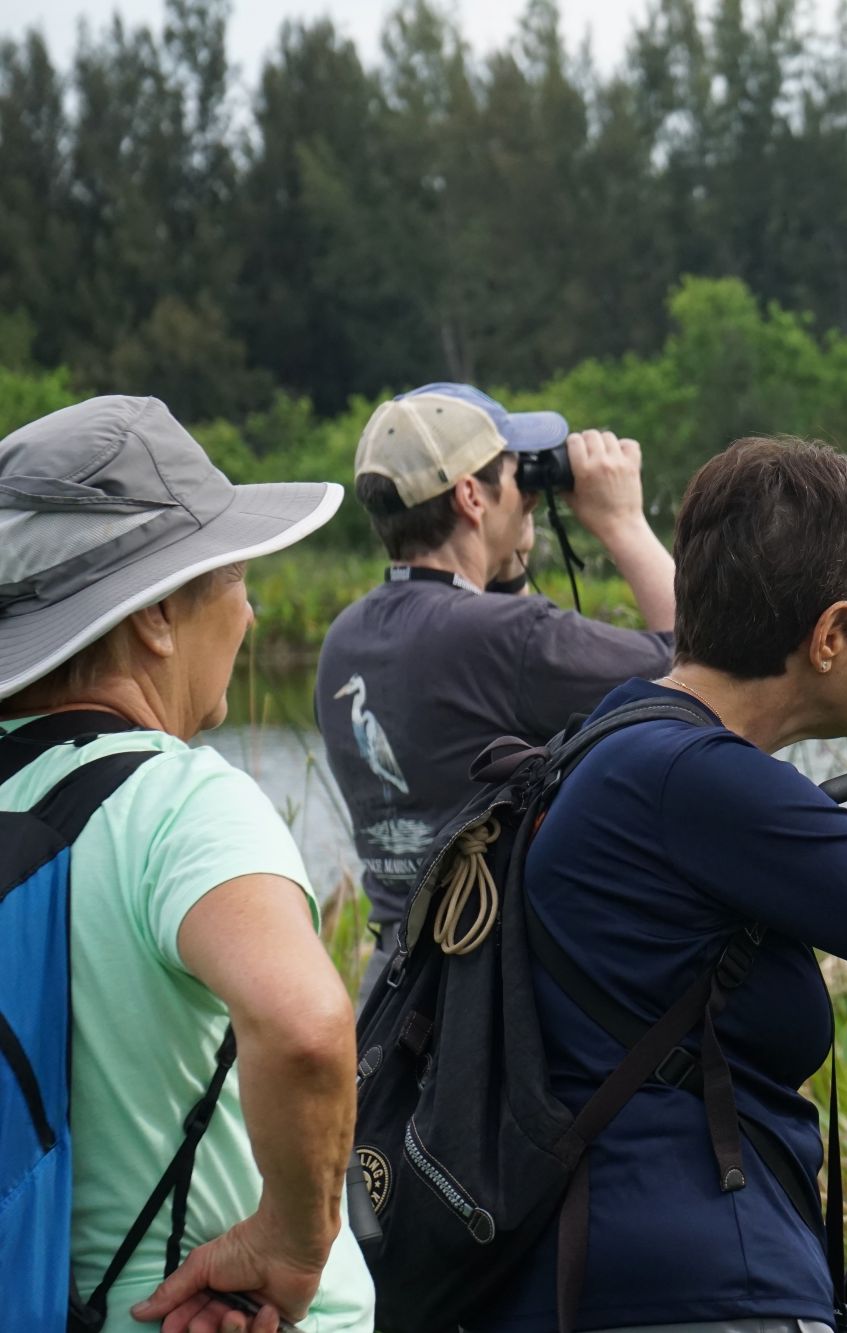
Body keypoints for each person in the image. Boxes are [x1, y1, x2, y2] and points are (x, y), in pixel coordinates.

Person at [472, 437, 847, 1333]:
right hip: (692, 1293)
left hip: (589, 1274)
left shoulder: (618, 733)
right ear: (828, 633)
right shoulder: (700, 781)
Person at [0, 396, 374, 1333]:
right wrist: (293, 1243)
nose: (248, 614)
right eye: (235, 577)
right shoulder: (177, 802)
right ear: (159, 615)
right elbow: (305, 1027)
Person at [315, 383, 680, 996]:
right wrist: (623, 523)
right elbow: (698, 666)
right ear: (470, 496)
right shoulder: (510, 637)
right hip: (492, 1003)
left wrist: (501, 560)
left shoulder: (345, 637)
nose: (531, 495)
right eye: (517, 475)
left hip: (393, 991)